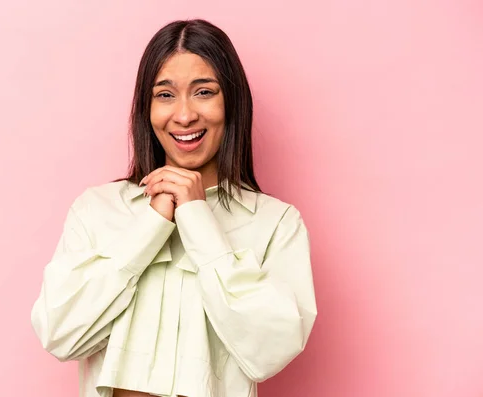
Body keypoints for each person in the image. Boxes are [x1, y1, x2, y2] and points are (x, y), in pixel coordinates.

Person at [30, 18, 317, 397]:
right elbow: (60, 336)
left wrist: (198, 220)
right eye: (165, 95)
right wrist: (151, 224)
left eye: (204, 92)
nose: (184, 116)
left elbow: (269, 352)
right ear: (146, 108)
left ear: (231, 102)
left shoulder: (276, 223)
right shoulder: (96, 210)